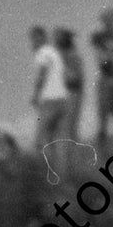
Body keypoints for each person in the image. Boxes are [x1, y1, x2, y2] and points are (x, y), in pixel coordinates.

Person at [29, 25, 70, 158]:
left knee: (40, 140)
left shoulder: (42, 53)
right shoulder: (54, 52)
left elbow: (42, 73)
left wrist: (35, 95)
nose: (33, 43)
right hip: (63, 99)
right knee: (56, 140)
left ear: (41, 38)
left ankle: (40, 172)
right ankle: (60, 173)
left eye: (34, 39)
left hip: (49, 100)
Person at [90, 7, 113, 146]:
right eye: (107, 18)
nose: (109, 21)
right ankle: (102, 152)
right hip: (105, 77)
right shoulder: (98, 37)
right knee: (103, 116)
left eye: (111, 18)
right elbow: (100, 57)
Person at [54, 27, 84, 144]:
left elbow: (75, 78)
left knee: (69, 127)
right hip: (64, 94)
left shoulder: (72, 55)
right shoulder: (59, 54)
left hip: (71, 93)